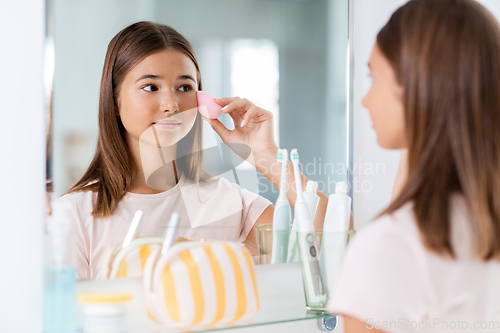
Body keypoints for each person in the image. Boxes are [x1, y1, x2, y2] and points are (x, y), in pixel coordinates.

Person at [59, 21, 328, 280]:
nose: (172, 104)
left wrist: (267, 157)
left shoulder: (227, 201)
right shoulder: (75, 214)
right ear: (115, 100)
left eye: (185, 87)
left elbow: (330, 242)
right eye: (150, 87)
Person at [328, 0, 500, 332]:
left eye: (373, 76)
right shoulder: (480, 226)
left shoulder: (392, 247)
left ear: (419, 86)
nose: (365, 100)